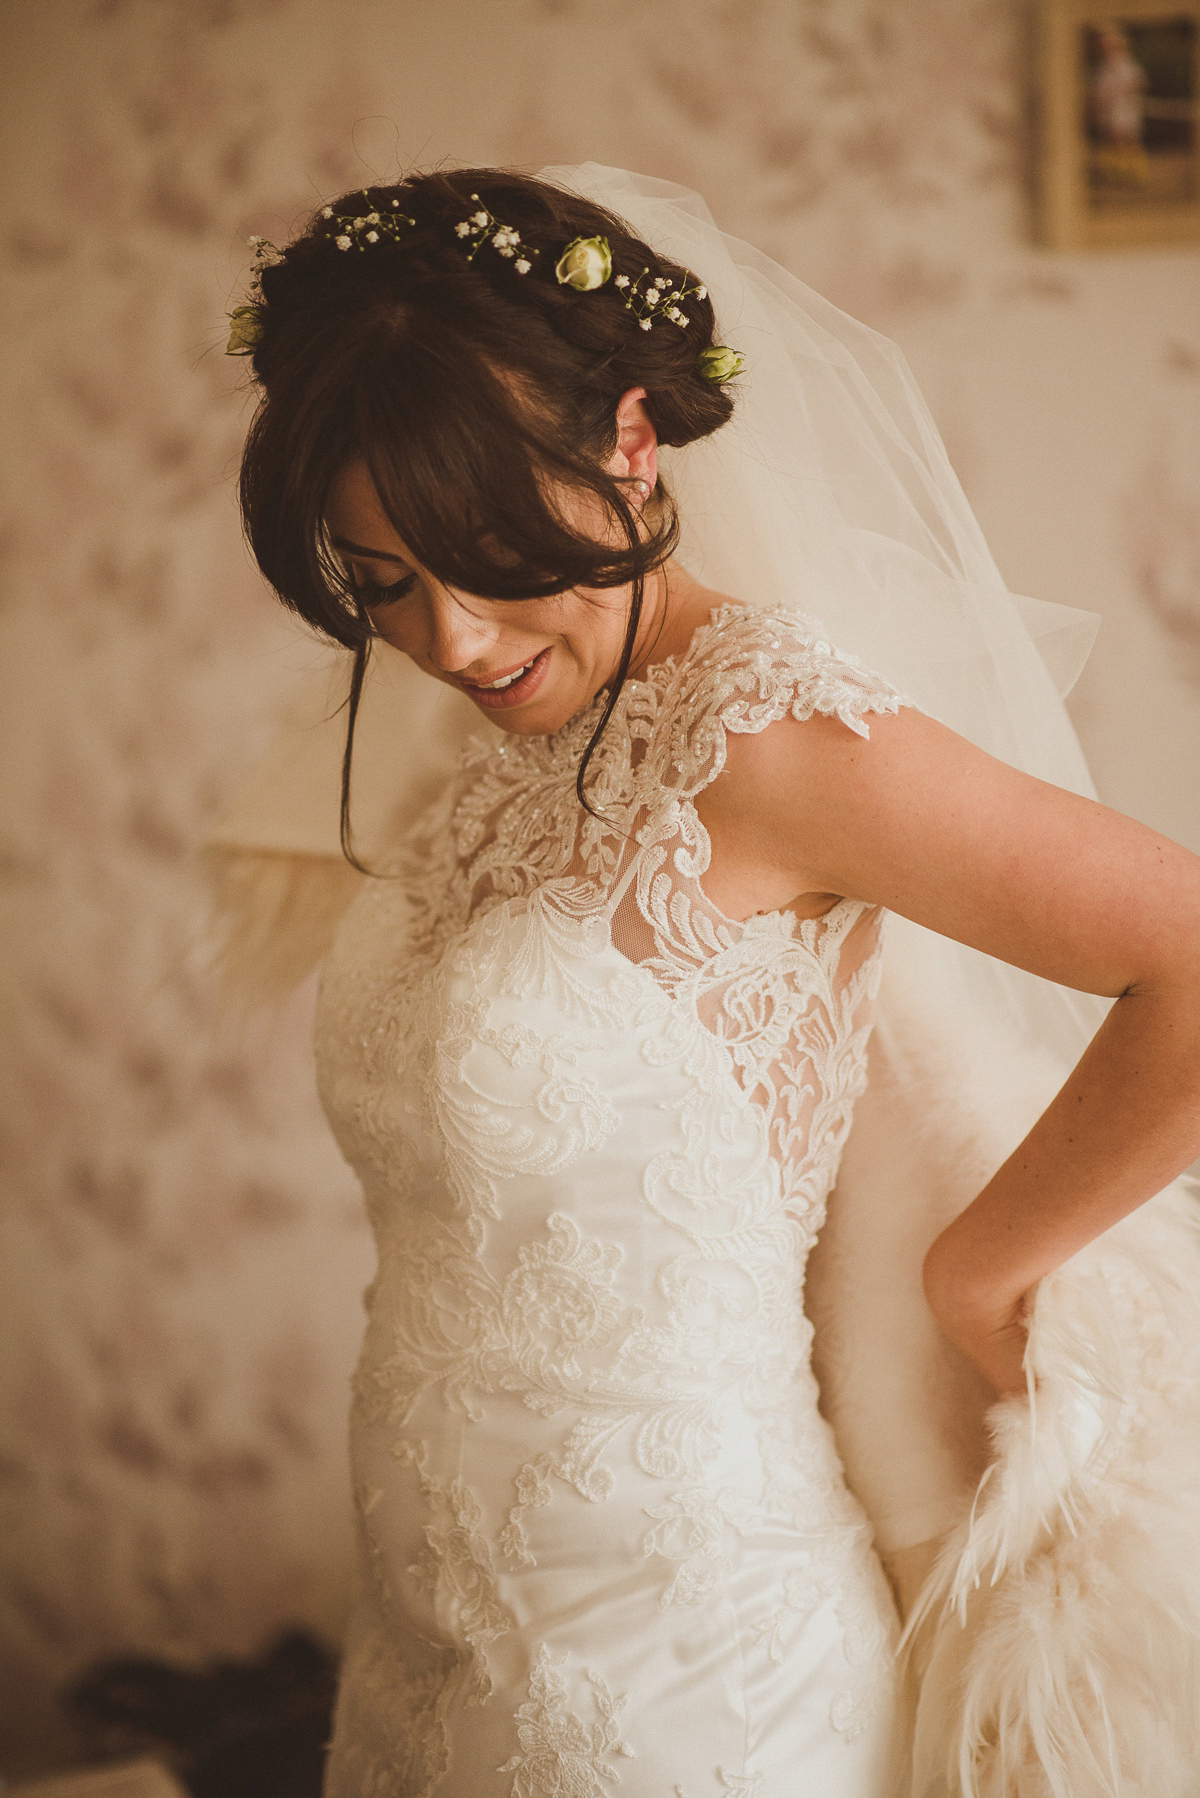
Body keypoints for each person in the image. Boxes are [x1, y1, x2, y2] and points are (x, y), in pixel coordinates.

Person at [215, 164, 1200, 1796]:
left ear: (630, 441)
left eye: (485, 557)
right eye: (383, 582)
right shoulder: (485, 751)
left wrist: (980, 1270)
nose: (452, 643)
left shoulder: (774, 735)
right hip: (422, 1631)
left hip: (681, 1672)